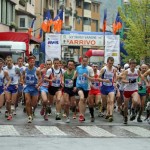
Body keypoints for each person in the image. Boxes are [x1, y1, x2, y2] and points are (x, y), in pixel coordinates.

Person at [74, 55, 94, 122]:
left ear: (87, 61)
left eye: (86, 61)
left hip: (86, 87)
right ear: (81, 61)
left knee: (84, 101)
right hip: (79, 86)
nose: (84, 62)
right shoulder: (78, 67)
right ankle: (81, 114)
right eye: (83, 61)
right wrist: (72, 80)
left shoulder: (90, 69)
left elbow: (93, 79)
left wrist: (87, 76)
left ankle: (83, 115)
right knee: (81, 98)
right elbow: (75, 75)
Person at [122, 59, 142, 124]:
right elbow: (123, 80)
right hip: (127, 89)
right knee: (125, 106)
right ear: (129, 65)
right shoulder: (126, 71)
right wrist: (129, 81)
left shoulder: (137, 71)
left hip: (134, 89)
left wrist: (140, 82)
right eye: (131, 64)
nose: (133, 66)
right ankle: (125, 117)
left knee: (136, 101)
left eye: (134, 64)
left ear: (135, 65)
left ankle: (133, 110)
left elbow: (141, 76)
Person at [23, 56, 42, 123]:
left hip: (34, 88)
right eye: (31, 62)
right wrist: (23, 83)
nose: (32, 63)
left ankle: (32, 110)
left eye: (33, 62)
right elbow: (22, 77)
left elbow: (40, 79)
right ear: (28, 62)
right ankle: (29, 116)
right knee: (28, 101)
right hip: (27, 87)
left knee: (33, 103)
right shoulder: (25, 70)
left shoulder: (37, 70)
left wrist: (38, 84)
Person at [99, 57, 117, 122]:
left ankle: (110, 115)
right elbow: (98, 78)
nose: (111, 65)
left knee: (111, 101)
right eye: (110, 63)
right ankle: (106, 111)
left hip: (111, 87)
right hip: (104, 87)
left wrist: (115, 82)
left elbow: (115, 77)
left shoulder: (114, 69)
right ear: (107, 62)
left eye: (112, 63)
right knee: (105, 103)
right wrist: (104, 80)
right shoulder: (103, 69)